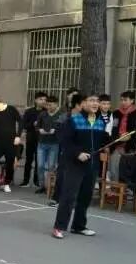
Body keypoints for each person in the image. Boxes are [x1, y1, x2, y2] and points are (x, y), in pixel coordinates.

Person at [52, 93, 110, 239]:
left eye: (97, 101)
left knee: (85, 197)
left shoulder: (101, 122)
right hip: (74, 164)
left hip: (92, 165)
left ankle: (78, 226)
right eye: (91, 100)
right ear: (83, 104)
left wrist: (116, 140)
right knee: (69, 196)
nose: (95, 103)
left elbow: (102, 142)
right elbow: (65, 141)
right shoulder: (73, 120)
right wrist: (77, 153)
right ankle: (59, 227)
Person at [49, 93, 83, 207]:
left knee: (75, 177)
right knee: (61, 174)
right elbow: (59, 132)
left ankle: (73, 200)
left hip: (79, 151)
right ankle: (56, 198)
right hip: (66, 150)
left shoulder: (85, 118)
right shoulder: (65, 117)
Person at [108, 91, 136, 182]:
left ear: (132, 100)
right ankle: (115, 188)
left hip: (131, 148)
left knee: (128, 172)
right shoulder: (115, 113)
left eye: (125, 100)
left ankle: (127, 189)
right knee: (114, 169)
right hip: (116, 147)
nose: (123, 102)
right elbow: (109, 129)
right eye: (121, 100)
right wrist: (109, 143)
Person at [21, 92, 47, 187]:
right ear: (36, 100)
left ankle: (37, 181)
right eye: (41, 99)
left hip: (42, 139)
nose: (43, 101)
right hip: (31, 138)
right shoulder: (29, 111)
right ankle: (26, 181)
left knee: (39, 161)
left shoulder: (46, 112)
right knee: (28, 160)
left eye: (45, 100)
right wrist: (33, 124)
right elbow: (24, 125)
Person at [36, 96, 61, 194]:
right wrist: (40, 130)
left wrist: (56, 130)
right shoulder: (42, 114)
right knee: (40, 165)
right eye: (47, 105)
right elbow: (37, 126)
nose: (49, 107)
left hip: (54, 144)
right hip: (42, 143)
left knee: (51, 166)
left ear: (56, 104)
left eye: (51, 105)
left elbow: (63, 127)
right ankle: (41, 186)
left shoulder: (60, 115)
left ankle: (50, 186)